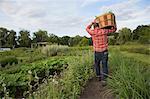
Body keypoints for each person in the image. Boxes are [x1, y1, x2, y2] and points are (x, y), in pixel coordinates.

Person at [86, 20, 117, 86]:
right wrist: (113, 23)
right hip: (104, 52)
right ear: (100, 25)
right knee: (104, 65)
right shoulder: (104, 31)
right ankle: (104, 80)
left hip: (97, 52)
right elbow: (114, 30)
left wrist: (91, 23)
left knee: (97, 64)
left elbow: (87, 28)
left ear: (94, 26)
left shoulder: (92, 32)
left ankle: (98, 77)